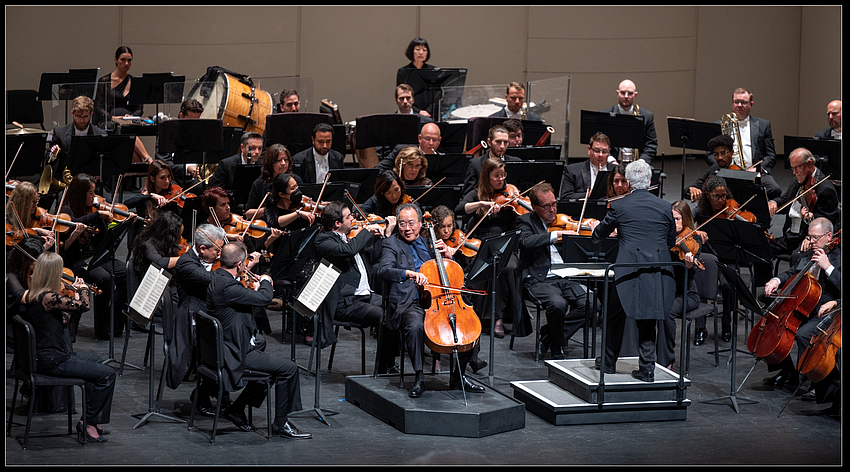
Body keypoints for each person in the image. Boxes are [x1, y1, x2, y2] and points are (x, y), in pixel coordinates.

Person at [377, 202, 485, 398]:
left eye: (411, 223)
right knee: (415, 327)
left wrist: (448, 256)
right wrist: (407, 273)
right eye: (402, 224)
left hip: (438, 300)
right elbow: (383, 270)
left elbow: (450, 274)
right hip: (410, 301)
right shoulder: (391, 243)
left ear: (420, 223)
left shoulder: (430, 242)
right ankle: (419, 377)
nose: (407, 228)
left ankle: (458, 376)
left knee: (470, 324)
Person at [206, 242, 311, 439]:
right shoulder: (229, 287)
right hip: (234, 354)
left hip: (224, 347)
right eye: (244, 264)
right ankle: (281, 422)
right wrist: (265, 281)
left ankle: (236, 409)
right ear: (238, 264)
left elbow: (240, 302)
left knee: (265, 357)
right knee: (289, 369)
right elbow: (264, 299)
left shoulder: (217, 277)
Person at [589, 159, 676, 382]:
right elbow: (670, 240)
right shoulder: (665, 207)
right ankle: (647, 368)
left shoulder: (619, 205)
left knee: (615, 314)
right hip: (657, 267)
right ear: (649, 181)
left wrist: (596, 232)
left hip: (626, 268)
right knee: (649, 316)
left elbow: (599, 234)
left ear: (628, 183)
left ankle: (608, 363)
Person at [22, 251, 115, 443]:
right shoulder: (47, 297)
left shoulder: (36, 294)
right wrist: (82, 289)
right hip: (53, 361)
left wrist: (69, 295)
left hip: (51, 355)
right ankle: (88, 424)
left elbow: (63, 320)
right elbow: (84, 306)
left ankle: (94, 420)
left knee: (96, 361)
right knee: (107, 374)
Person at [761, 218, 841, 392]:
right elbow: (793, 272)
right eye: (809, 237)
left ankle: (814, 381)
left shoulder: (839, 256)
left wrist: (828, 267)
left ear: (829, 236)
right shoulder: (808, 252)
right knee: (772, 325)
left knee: (803, 334)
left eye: (815, 238)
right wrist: (776, 280)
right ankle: (788, 371)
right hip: (803, 305)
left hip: (827, 310)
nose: (811, 242)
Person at [518, 183, 594, 360]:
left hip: (565, 276)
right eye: (546, 206)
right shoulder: (525, 221)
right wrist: (556, 236)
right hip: (539, 278)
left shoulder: (563, 221)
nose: (552, 210)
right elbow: (526, 242)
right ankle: (558, 345)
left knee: (592, 303)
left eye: (554, 204)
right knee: (558, 305)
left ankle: (549, 336)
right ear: (535, 207)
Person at [457, 157, 526, 339]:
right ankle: (480, 316)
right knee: (485, 264)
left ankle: (498, 318)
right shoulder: (477, 194)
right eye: (497, 176)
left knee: (506, 266)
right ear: (487, 176)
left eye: (503, 175)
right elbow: (460, 208)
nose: (501, 180)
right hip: (482, 241)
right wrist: (482, 204)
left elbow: (522, 217)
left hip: (506, 241)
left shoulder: (509, 194)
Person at [313, 201, 394, 350]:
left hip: (365, 295)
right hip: (346, 303)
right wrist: (367, 231)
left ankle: (389, 362)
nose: (353, 219)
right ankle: (383, 366)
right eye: (349, 216)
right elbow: (348, 250)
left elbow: (373, 257)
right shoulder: (323, 240)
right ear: (337, 223)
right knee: (386, 316)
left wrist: (386, 235)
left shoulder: (348, 237)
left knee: (397, 307)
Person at [172, 224, 233, 413]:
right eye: (218, 250)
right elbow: (214, 281)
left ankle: (214, 392)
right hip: (193, 318)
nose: (220, 255)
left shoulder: (206, 259)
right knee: (226, 343)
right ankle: (209, 392)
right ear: (202, 249)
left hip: (206, 313)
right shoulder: (186, 264)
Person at [60, 173, 127, 341]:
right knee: (104, 279)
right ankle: (101, 329)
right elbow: (71, 227)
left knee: (123, 273)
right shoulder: (66, 211)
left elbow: (106, 240)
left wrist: (110, 224)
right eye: (90, 193)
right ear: (81, 193)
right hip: (78, 261)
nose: (94, 196)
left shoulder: (94, 210)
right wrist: (96, 216)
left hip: (96, 257)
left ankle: (116, 325)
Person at [767, 147, 840, 258]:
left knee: (797, 257)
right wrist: (774, 202)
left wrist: (811, 218)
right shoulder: (797, 180)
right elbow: (786, 199)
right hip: (790, 236)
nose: (794, 172)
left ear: (809, 164)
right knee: (762, 249)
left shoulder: (825, 188)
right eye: (792, 168)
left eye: (797, 168)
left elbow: (829, 222)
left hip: (807, 238)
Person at [657, 201, 702, 369]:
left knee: (666, 312)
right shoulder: (664, 238)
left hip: (686, 294)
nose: (674, 223)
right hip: (664, 290)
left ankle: (665, 361)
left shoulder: (694, 239)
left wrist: (689, 266)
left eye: (678, 219)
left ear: (685, 219)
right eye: (671, 219)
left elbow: (689, 276)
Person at [93, 46, 150, 163]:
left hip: (129, 122)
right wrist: (112, 117)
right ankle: (148, 159)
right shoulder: (104, 81)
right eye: (123, 60)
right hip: (109, 122)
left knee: (128, 131)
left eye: (129, 60)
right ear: (116, 60)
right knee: (127, 133)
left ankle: (144, 162)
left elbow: (139, 108)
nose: (126, 63)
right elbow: (98, 107)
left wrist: (132, 117)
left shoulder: (134, 82)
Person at [685, 134, 781, 202]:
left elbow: (775, 190)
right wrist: (692, 189)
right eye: (716, 154)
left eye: (723, 153)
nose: (720, 158)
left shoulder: (741, 172)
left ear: (732, 152)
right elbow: (688, 191)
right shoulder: (713, 169)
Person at [709, 88, 776, 174]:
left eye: (744, 102)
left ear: (751, 104)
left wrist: (758, 169)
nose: (739, 105)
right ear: (732, 103)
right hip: (725, 171)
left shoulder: (763, 125)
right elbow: (709, 155)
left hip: (754, 173)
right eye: (736, 102)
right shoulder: (719, 125)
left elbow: (771, 155)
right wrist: (722, 166)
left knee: (774, 188)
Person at [45, 96, 107, 185]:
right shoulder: (60, 132)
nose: (81, 120)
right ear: (72, 113)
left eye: (86, 116)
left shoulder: (100, 135)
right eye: (78, 116)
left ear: (91, 114)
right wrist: (53, 154)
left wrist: (100, 172)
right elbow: (48, 159)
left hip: (92, 184)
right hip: (66, 183)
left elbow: (105, 162)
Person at [599, 79, 657, 164]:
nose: (626, 96)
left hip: (638, 163)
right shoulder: (605, 115)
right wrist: (611, 160)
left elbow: (651, 145)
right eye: (623, 93)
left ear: (635, 95)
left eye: (630, 93)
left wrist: (641, 162)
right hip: (613, 162)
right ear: (617, 93)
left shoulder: (647, 116)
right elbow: (599, 143)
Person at [244, 143, 301, 221]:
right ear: (270, 163)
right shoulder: (260, 183)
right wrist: (268, 210)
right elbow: (248, 213)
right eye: (279, 160)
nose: (283, 163)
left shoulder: (295, 180)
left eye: (286, 160)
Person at [462, 125, 521, 196]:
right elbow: (468, 194)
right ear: (489, 142)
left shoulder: (516, 162)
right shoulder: (475, 164)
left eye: (505, 142)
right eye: (498, 142)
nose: (502, 146)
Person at [560, 132, 617, 200]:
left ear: (609, 152)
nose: (601, 155)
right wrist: (588, 194)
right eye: (596, 150)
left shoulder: (616, 171)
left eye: (604, 151)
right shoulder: (572, 171)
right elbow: (565, 197)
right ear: (589, 150)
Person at [5, 181, 56, 250]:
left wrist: (35, 230)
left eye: (37, 201)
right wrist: (43, 249)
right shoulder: (7, 221)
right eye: (33, 202)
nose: (36, 206)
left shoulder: (29, 216)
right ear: (23, 203)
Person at [375, 122, 442, 172]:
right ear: (419, 138)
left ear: (439, 140)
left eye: (435, 140)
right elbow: (378, 169)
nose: (431, 143)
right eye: (427, 139)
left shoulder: (442, 160)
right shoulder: (402, 151)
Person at [396, 38, 437, 116]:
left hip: (430, 113)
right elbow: (400, 95)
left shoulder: (433, 71)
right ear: (411, 51)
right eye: (417, 49)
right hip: (409, 111)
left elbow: (437, 96)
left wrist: (428, 111)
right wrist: (418, 111)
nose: (421, 53)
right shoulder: (403, 71)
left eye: (424, 50)